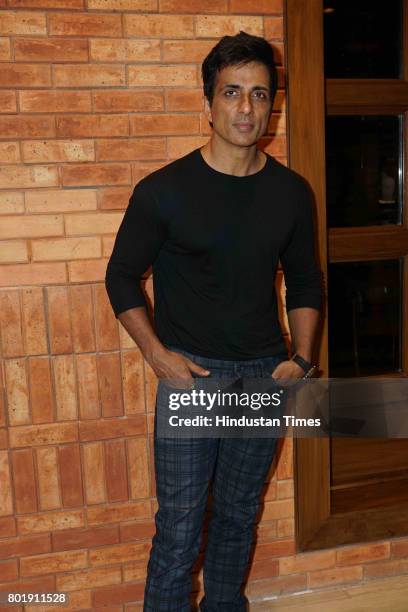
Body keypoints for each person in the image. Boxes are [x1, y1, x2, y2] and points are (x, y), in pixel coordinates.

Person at [105, 31, 321, 612]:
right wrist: (157, 355)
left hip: (261, 378)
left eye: (258, 93)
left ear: (271, 104)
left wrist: (300, 359)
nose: (246, 108)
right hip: (193, 379)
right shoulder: (163, 191)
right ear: (208, 104)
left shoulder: (292, 193)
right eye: (231, 93)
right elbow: (121, 277)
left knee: (236, 519)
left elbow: (304, 282)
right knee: (178, 530)